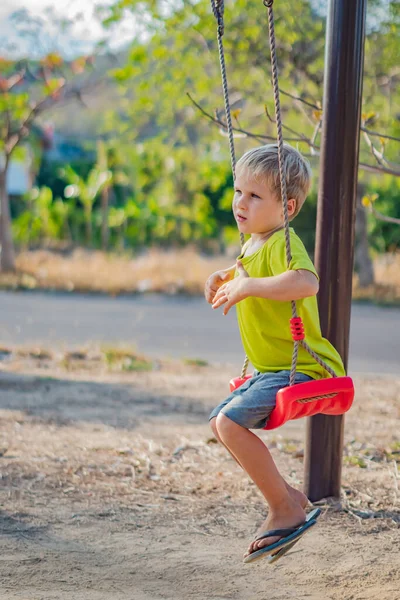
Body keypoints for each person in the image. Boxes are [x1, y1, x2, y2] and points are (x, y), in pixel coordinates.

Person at [205, 143, 346, 562]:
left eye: (254, 196)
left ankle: (282, 509)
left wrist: (247, 286)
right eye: (237, 192)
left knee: (229, 424)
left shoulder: (284, 241)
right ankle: (294, 499)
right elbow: (246, 275)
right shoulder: (251, 246)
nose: (240, 203)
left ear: (287, 207)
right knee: (218, 423)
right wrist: (222, 278)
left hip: (302, 370)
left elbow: (306, 282)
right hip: (269, 371)